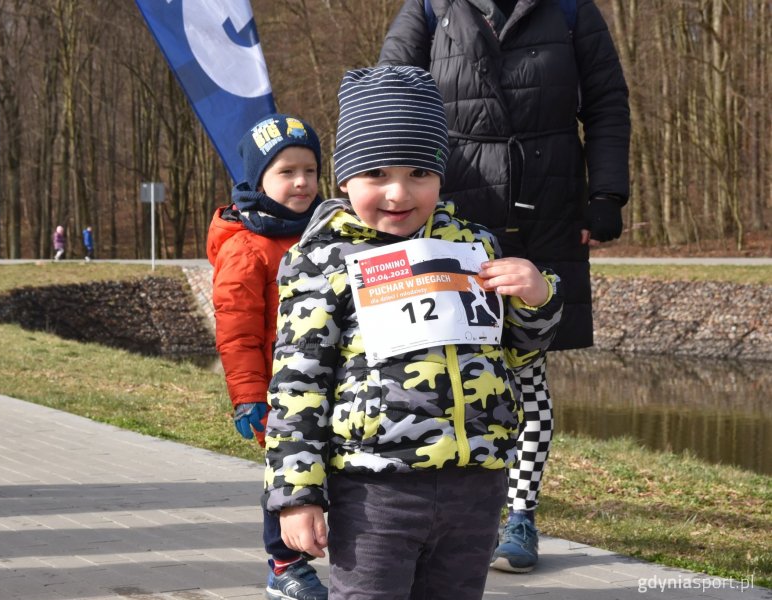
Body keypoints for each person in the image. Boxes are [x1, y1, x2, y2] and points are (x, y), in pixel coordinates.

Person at [263, 66, 563, 600]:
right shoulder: (321, 260)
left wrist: (537, 298)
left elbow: (519, 351)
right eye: (376, 174)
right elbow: (297, 385)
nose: (399, 193)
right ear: (344, 179)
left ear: (442, 177)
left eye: (420, 173)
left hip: (477, 483)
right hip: (375, 487)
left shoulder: (474, 246)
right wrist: (296, 497)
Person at [378, 0, 631, 572]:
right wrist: (387, 194)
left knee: (528, 367)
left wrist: (607, 193)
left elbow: (608, 104)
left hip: (547, 205)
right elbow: (391, 97)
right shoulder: (428, 7)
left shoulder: (570, 10)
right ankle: (438, 511)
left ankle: (519, 515)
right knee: (440, 366)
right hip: (446, 208)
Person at [206, 113, 328, 600]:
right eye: (286, 172)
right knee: (288, 470)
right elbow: (236, 332)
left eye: (311, 171)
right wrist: (249, 395)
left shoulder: (330, 230)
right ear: (258, 180)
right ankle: (284, 565)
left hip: (332, 380)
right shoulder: (246, 248)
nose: (302, 182)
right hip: (279, 389)